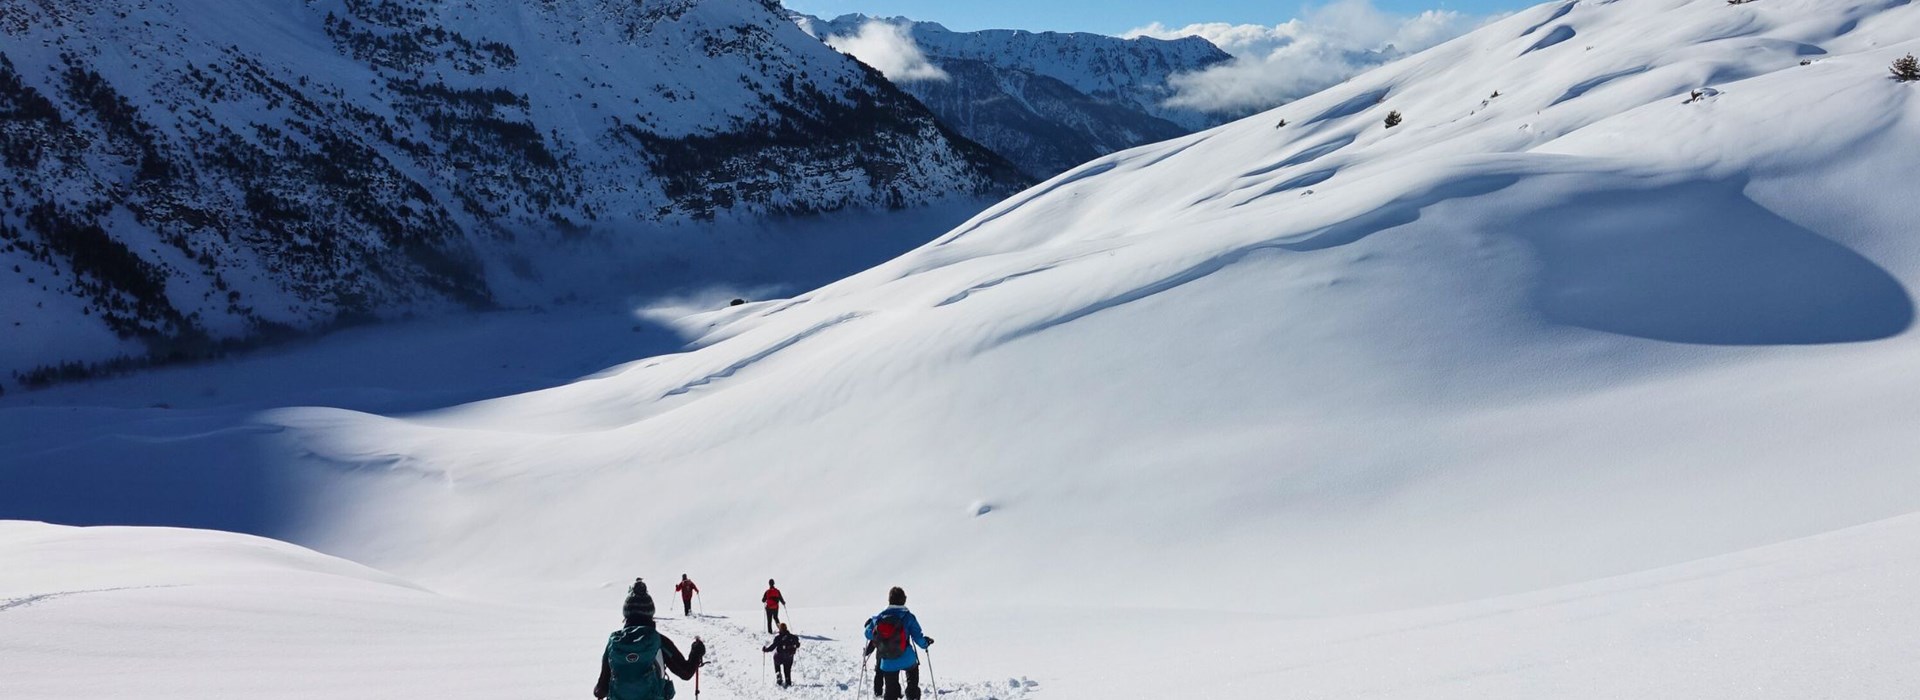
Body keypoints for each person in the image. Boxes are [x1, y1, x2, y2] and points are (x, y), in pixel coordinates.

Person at [594, 579, 705, 700]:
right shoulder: (658, 641)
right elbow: (686, 672)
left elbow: (600, 691)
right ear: (650, 613)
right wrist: (697, 650)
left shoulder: (614, 643)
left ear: (626, 614)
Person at [863, 586, 933, 700]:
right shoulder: (908, 617)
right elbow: (919, 639)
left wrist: (868, 625)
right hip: (907, 658)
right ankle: (912, 694)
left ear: (889, 600)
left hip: (888, 662)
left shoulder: (879, 618)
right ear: (903, 600)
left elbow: (868, 634)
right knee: (912, 677)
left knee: (890, 691)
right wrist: (926, 643)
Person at [762, 622, 801, 688]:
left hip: (779, 657)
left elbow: (772, 648)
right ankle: (788, 681)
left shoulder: (778, 638)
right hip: (789, 657)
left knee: (776, 661)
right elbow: (798, 645)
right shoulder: (794, 637)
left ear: (780, 629)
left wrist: (765, 649)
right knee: (787, 669)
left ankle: (778, 676)